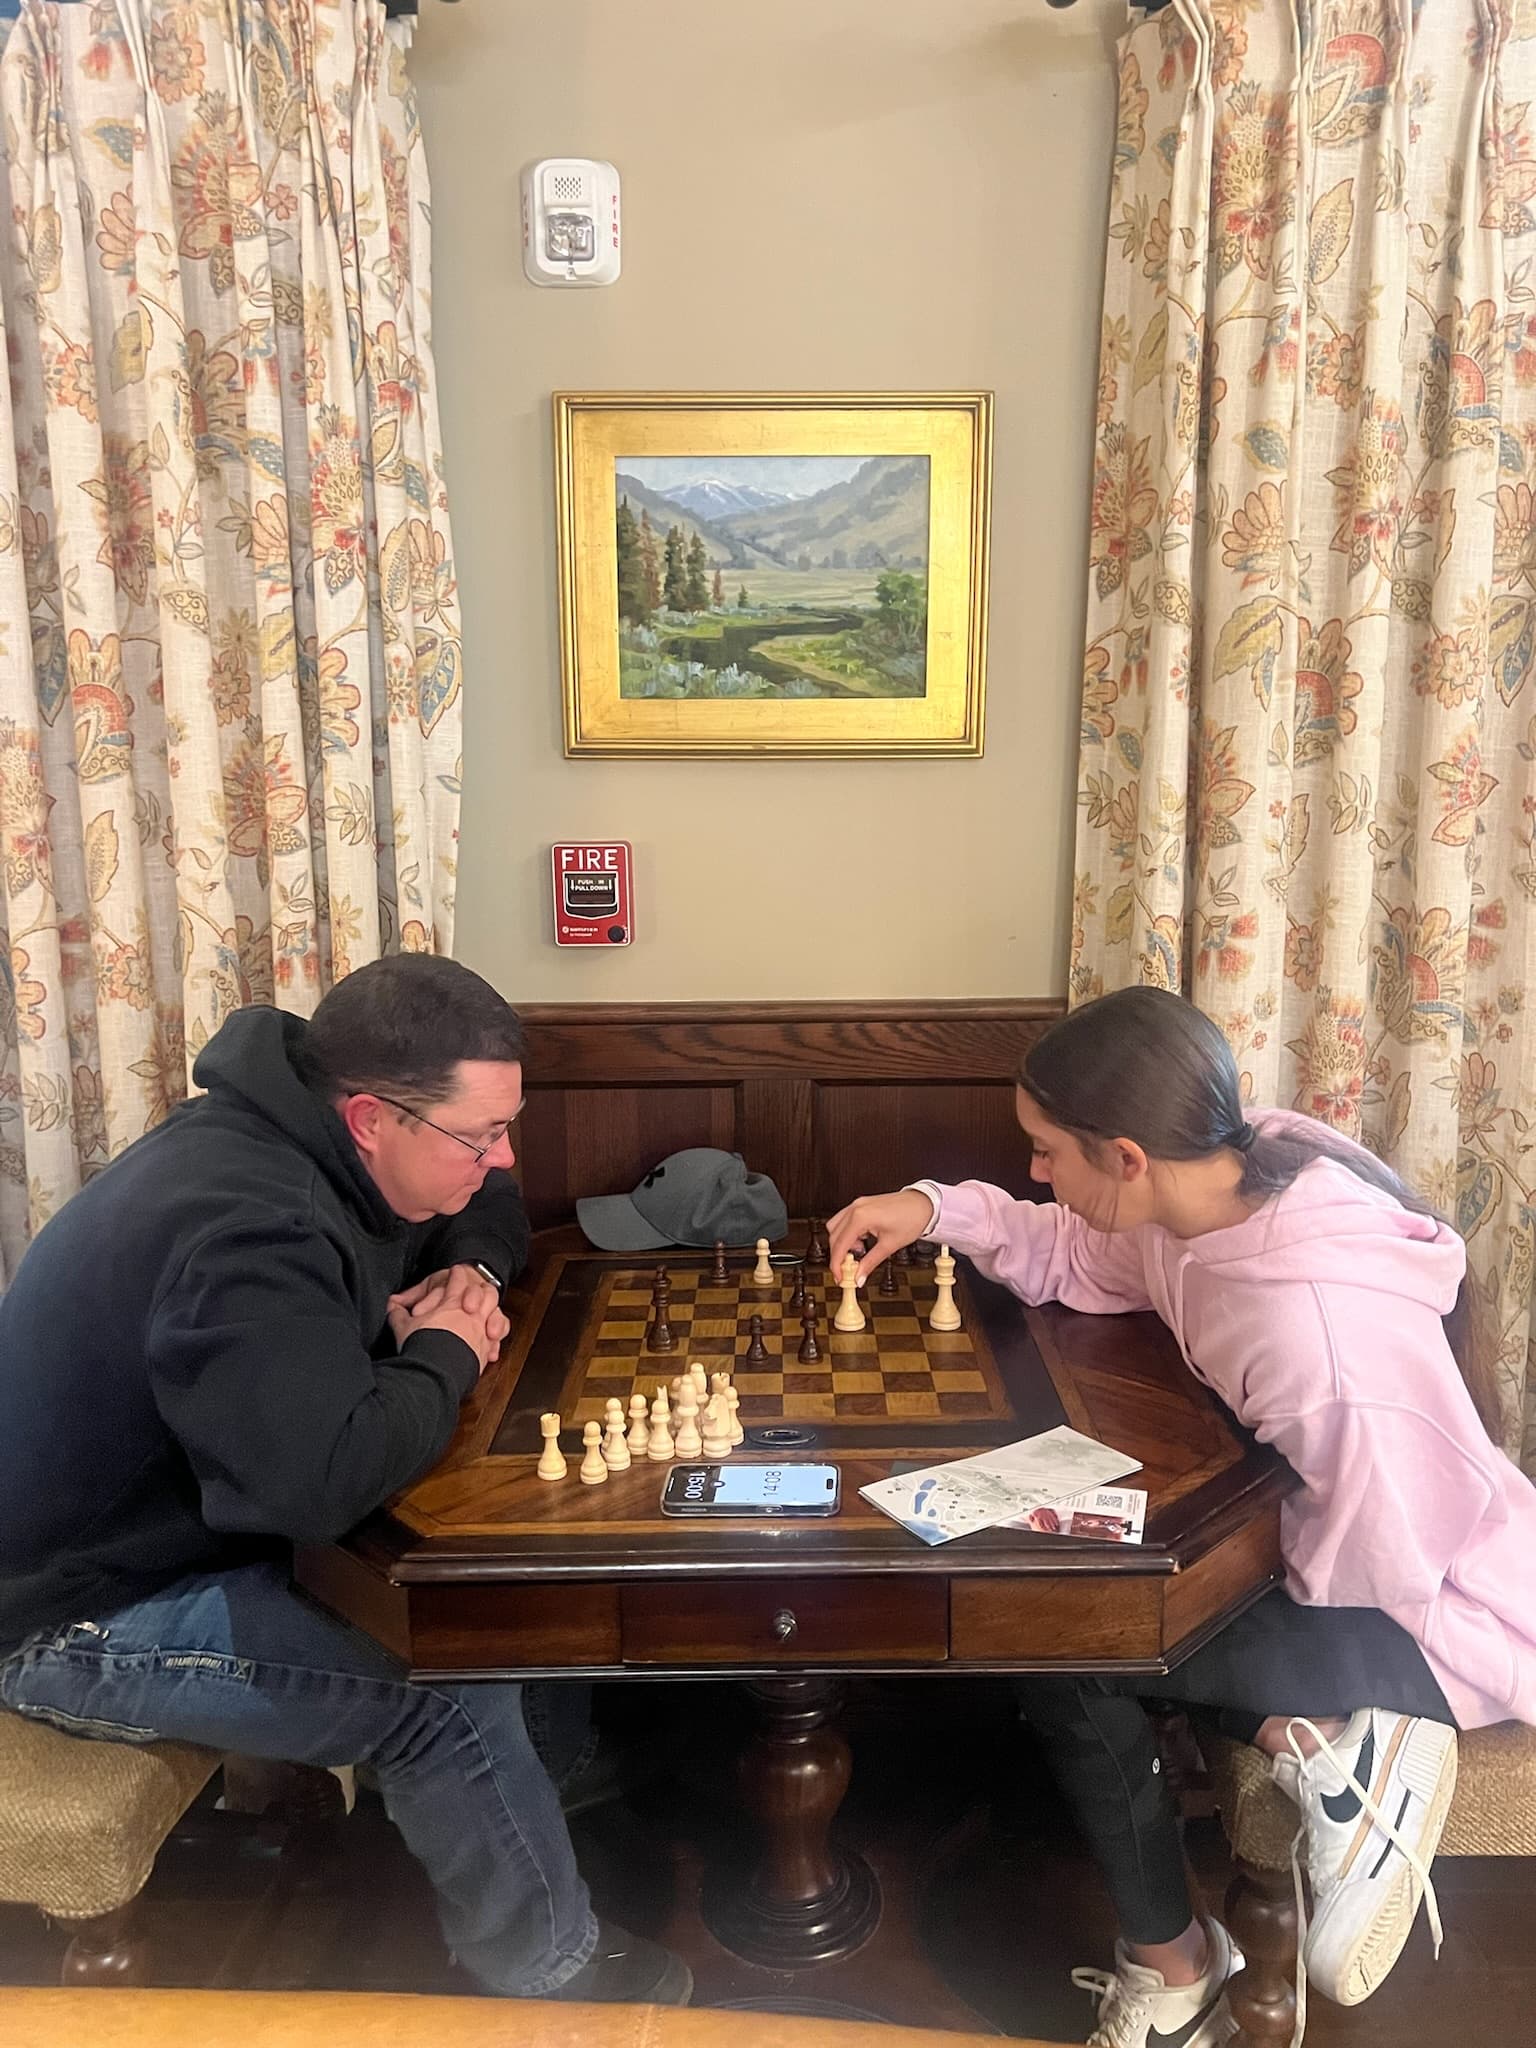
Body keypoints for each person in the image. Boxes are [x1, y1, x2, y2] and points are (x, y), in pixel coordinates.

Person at [829, 986, 1536, 2048]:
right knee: (1062, 1616)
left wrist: (1182, 1559)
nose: (1033, 1170)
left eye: (1045, 1150)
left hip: (1425, 1621)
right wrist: (935, 1204)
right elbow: (1073, 1252)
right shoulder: (1198, 1202)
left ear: (1124, 1155)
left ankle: (1325, 1783)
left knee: (1063, 1627)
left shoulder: (1319, 1335)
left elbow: (1390, 1546)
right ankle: (1293, 1761)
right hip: (1324, 1552)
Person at [0, 954, 690, 2007]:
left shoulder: (320, 1131)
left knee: (496, 1594)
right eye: (481, 1134)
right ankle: (553, 1980)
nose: (505, 1158)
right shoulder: (249, 1222)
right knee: (445, 1693)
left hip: (185, 1533)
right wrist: (445, 1353)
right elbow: (319, 1483)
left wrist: (475, 1276)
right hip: (73, 1612)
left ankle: (530, 1794)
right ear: (373, 1117)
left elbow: (484, 1207)